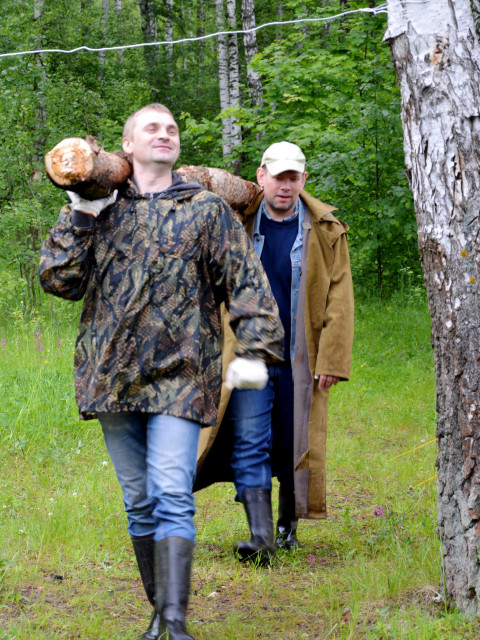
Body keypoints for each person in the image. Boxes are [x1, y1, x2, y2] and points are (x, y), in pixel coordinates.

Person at [38, 104, 284, 640]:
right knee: (140, 500)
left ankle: (174, 623)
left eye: (172, 128)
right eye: (152, 127)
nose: (165, 134)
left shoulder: (205, 210)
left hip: (182, 373)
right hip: (112, 376)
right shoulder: (100, 206)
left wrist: (256, 351)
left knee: (172, 490)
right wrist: (81, 212)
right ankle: (158, 613)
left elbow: (247, 282)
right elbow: (59, 281)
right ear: (124, 147)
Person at [195, 141, 354, 562]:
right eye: (278, 177)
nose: (285, 186)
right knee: (250, 438)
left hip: (302, 356)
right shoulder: (236, 223)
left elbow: (339, 300)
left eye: (293, 177)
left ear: (303, 180)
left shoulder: (324, 230)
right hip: (248, 353)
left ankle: (287, 526)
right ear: (261, 177)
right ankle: (260, 538)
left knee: (292, 439)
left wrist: (333, 360)